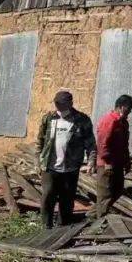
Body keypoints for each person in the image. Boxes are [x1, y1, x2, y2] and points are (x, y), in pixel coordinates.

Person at [36, 90, 97, 228]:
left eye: (61, 104)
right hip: (50, 166)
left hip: (70, 167)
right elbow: (40, 141)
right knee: (47, 196)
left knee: (67, 199)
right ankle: (46, 226)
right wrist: (38, 161)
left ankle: (63, 226)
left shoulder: (82, 120)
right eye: (56, 103)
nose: (58, 107)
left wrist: (91, 161)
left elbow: (91, 143)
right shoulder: (49, 118)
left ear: (70, 103)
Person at [94, 94, 132, 219]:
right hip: (107, 165)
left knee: (117, 190)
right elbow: (102, 143)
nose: (130, 112)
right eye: (129, 109)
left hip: (118, 164)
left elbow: (124, 144)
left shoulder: (123, 123)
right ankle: (99, 223)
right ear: (122, 107)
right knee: (105, 195)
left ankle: (91, 215)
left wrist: (127, 162)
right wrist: (107, 161)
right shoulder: (109, 120)